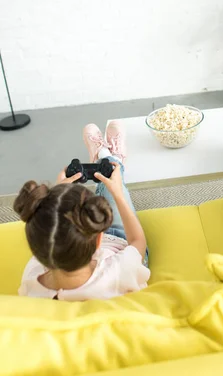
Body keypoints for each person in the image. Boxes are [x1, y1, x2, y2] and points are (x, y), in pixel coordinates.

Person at [14, 121, 149, 300]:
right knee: (112, 185)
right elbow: (137, 241)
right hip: (122, 242)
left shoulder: (31, 281)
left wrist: (56, 196)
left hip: (91, 242)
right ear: (99, 237)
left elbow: (52, 230)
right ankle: (112, 159)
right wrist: (118, 195)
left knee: (108, 188)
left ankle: (103, 156)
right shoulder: (120, 271)